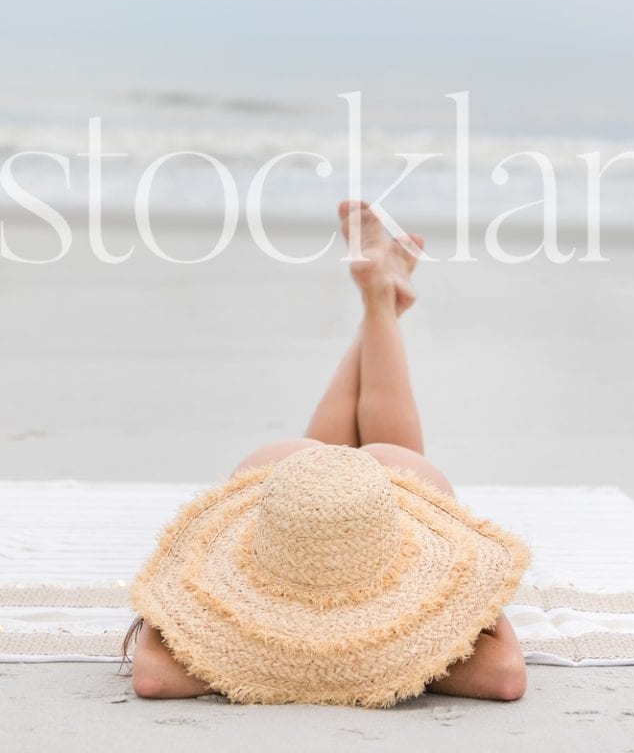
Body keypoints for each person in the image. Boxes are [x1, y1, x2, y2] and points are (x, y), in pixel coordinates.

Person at [124, 201, 530, 706]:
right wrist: (471, 596)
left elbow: (153, 677)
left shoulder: (251, 649)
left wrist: (225, 639)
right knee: (388, 459)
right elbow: (507, 677)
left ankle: (380, 302)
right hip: (350, 508)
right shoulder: (393, 654)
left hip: (282, 484)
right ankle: (380, 302)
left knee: (334, 473)